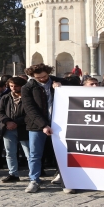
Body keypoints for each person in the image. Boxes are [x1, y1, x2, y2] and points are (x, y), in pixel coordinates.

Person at [21, 63, 71, 193]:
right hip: (37, 126)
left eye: (44, 76)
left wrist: (62, 89)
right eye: (39, 78)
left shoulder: (60, 81)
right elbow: (29, 108)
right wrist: (43, 125)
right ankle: (34, 180)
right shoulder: (28, 87)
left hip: (60, 123)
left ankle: (66, 180)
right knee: (35, 154)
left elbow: (74, 94)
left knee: (62, 153)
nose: (42, 79)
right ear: (33, 76)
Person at [0, 77, 30, 182]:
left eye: (16, 86)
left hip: (24, 128)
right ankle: (13, 174)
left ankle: (33, 174)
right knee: (10, 152)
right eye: (11, 86)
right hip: (8, 128)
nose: (13, 88)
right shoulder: (5, 97)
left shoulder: (28, 98)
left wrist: (16, 122)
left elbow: (30, 113)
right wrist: (7, 121)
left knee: (29, 153)